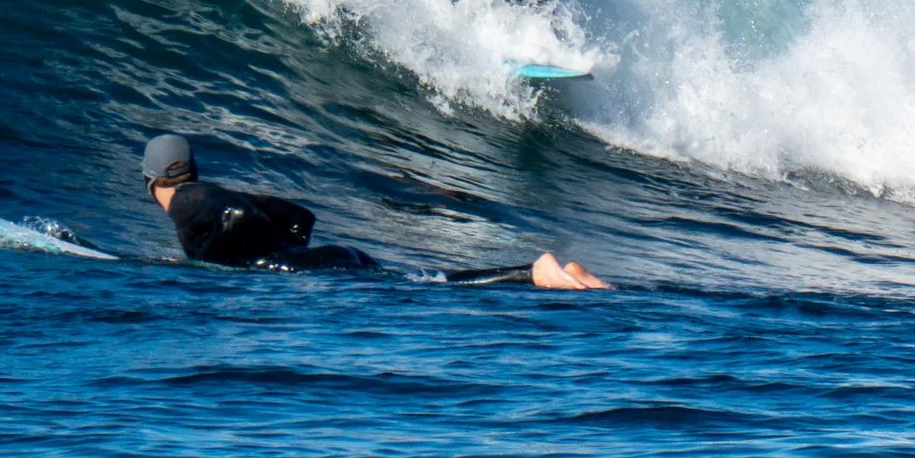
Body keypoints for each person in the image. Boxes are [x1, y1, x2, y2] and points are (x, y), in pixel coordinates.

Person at [138, 133, 607, 288]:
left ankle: (536, 273)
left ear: (149, 179)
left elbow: (229, 215)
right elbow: (300, 217)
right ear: (193, 166)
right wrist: (276, 250)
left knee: (431, 289)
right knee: (429, 283)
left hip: (315, 266)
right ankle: (549, 273)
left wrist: (222, 259)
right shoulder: (208, 196)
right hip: (327, 257)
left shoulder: (186, 200)